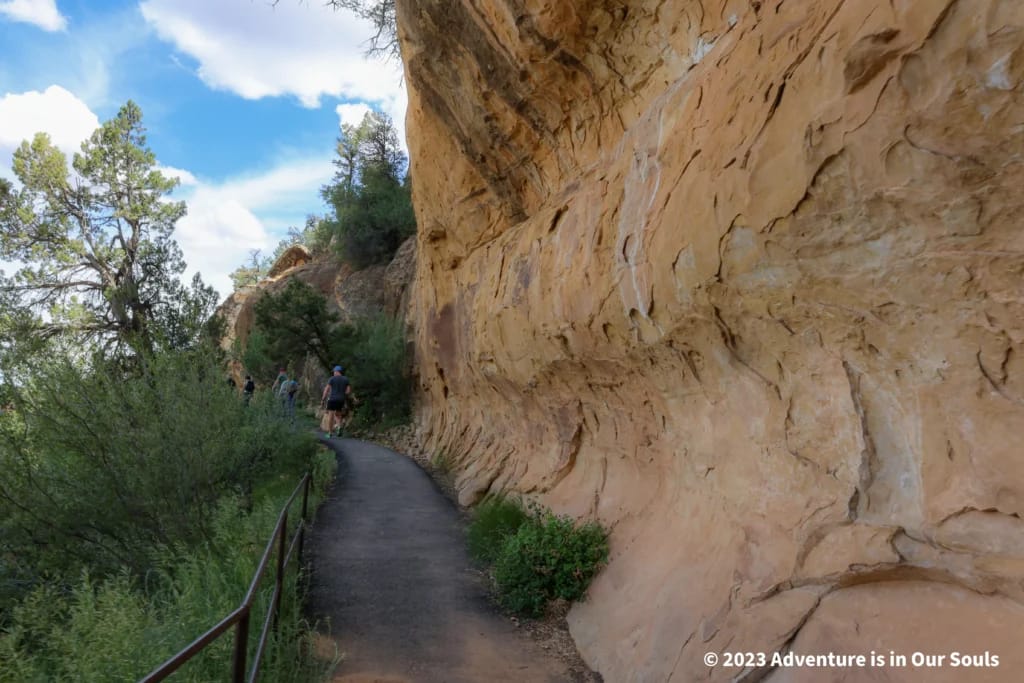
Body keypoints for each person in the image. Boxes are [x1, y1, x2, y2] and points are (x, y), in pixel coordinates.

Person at [321, 365, 351, 437]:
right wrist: (342, 394)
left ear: (337, 371)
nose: (334, 373)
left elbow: (326, 389)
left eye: (334, 371)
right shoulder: (346, 379)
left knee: (331, 415)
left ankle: (330, 433)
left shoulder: (332, 379)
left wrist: (323, 399)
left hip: (332, 399)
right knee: (338, 414)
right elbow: (348, 391)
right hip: (341, 399)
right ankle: (339, 427)